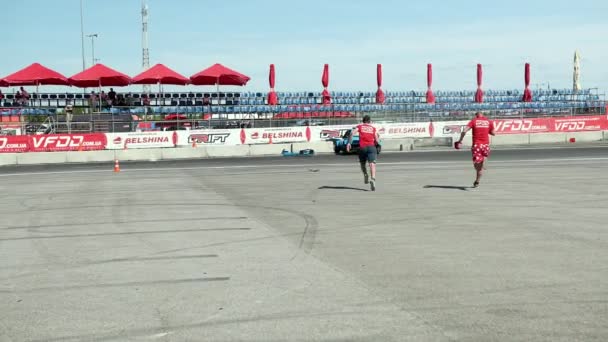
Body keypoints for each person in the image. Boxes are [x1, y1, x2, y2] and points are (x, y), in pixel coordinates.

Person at [456, 111, 495, 188]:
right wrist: (486, 131)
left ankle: (480, 166)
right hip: (486, 145)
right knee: (480, 166)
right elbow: (493, 133)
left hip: (477, 145)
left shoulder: (474, 121)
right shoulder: (489, 121)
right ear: (483, 115)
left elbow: (464, 130)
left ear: (476, 115)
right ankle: (477, 181)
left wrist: (460, 140)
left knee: (477, 167)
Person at [347, 115, 380, 191]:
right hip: (371, 147)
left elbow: (352, 133)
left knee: (362, 163)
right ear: (370, 121)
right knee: (372, 164)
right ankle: (373, 179)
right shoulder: (373, 128)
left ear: (363, 121)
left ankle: (365, 174)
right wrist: (377, 144)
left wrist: (349, 143)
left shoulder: (360, 126)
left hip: (362, 147)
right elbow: (376, 139)